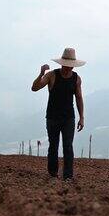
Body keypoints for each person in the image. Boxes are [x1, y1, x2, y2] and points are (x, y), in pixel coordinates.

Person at [31, 47, 85, 180]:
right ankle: (53, 172)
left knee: (68, 146)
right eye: (66, 66)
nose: (68, 68)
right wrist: (41, 73)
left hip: (68, 118)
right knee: (53, 145)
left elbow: (79, 97)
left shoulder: (76, 79)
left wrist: (81, 117)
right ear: (61, 64)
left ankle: (68, 176)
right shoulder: (52, 75)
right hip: (52, 117)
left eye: (71, 66)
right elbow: (34, 88)